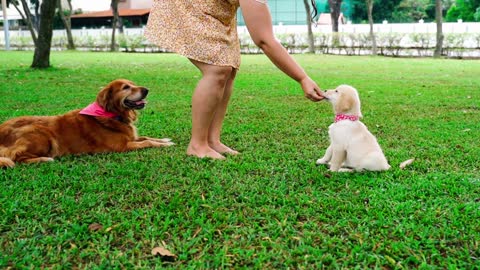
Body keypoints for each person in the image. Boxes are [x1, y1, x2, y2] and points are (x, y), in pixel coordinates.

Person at [145, 0, 324, 160]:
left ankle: (212, 140)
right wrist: (302, 78)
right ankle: (197, 145)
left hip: (216, 10)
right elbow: (264, 40)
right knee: (217, 68)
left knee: (228, 68)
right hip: (187, 6)